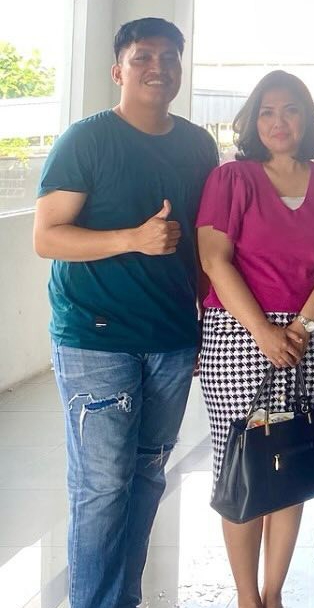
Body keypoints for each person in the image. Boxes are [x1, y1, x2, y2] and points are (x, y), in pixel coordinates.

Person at [31, 17, 219, 608]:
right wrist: (133, 239)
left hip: (171, 336)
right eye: (143, 57)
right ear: (119, 70)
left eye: (169, 57)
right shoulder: (86, 140)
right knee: (104, 485)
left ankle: (121, 599)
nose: (157, 67)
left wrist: (200, 325)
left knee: (146, 475)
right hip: (95, 335)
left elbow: (203, 246)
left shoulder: (198, 146)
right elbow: (47, 236)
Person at [196, 70, 314, 608]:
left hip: (310, 337)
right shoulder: (232, 179)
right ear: (252, 120)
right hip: (238, 336)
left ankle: (273, 595)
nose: (278, 121)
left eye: (290, 109)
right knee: (242, 463)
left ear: (307, 119)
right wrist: (263, 331)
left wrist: (301, 327)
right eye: (267, 111)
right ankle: (248, 598)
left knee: (289, 459)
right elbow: (214, 259)